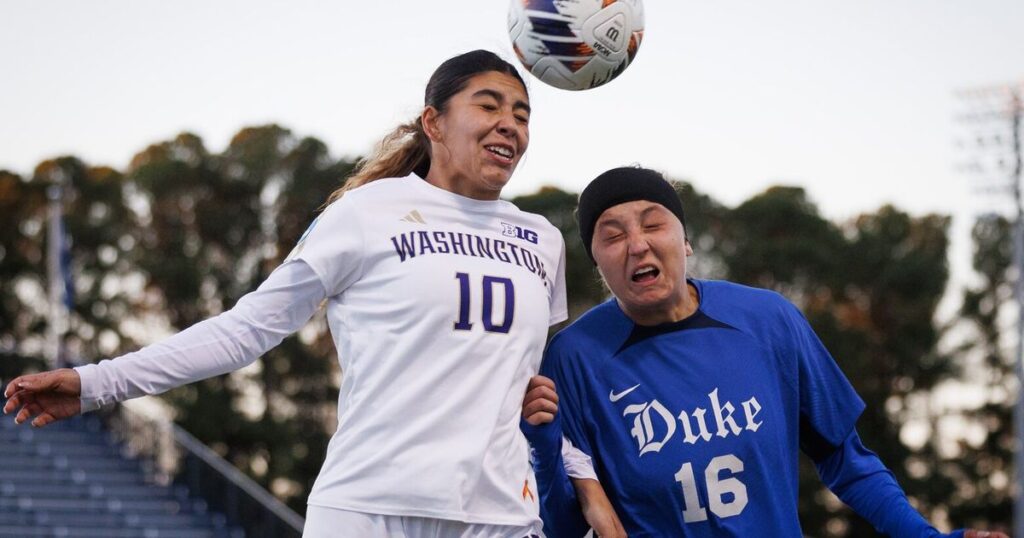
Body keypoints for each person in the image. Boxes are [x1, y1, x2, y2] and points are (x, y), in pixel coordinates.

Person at [4, 49, 571, 538]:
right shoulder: (366, 212)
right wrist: (96, 383)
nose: (510, 125)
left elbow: (538, 380)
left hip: (500, 516)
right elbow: (247, 329)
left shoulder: (542, 240)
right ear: (434, 122)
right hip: (368, 509)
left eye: (522, 115)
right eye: (489, 105)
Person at [520, 166, 1009, 538]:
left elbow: (845, 458)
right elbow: (564, 525)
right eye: (613, 235)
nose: (637, 245)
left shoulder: (767, 319)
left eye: (653, 224)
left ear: (686, 241)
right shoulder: (573, 357)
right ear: (597, 261)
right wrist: (542, 446)